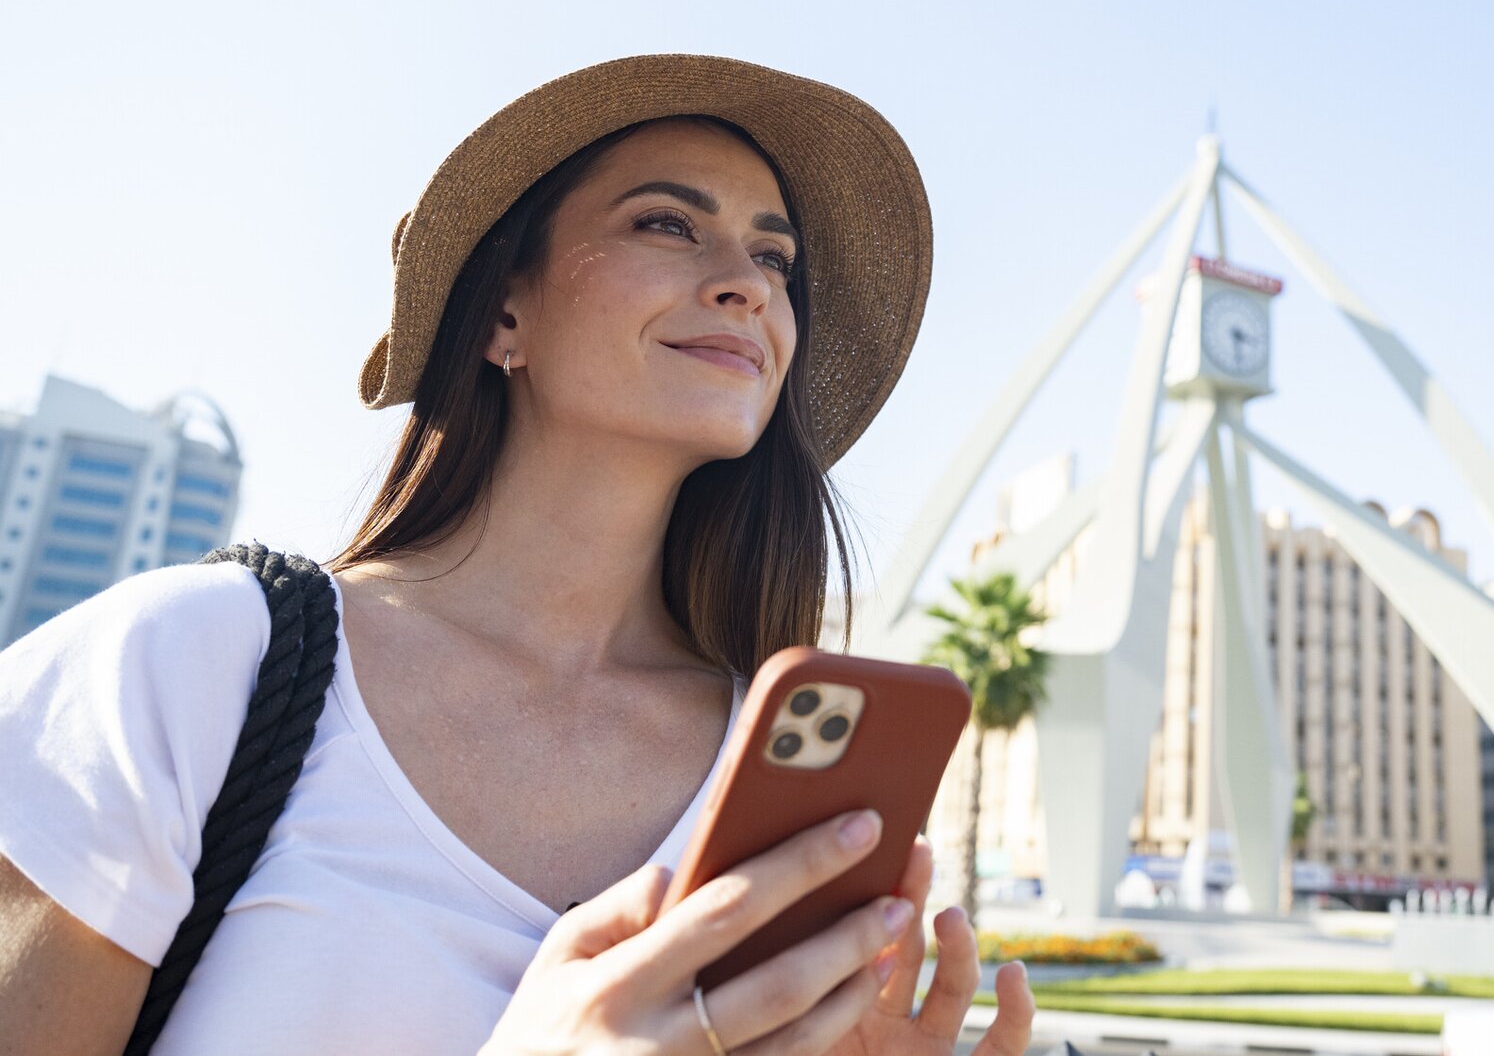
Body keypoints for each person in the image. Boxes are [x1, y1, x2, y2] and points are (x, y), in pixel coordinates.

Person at [0, 55, 1038, 1055]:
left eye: (774, 258)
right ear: (503, 310)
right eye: (669, 224)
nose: (748, 286)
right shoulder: (191, 661)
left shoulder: (775, 771)